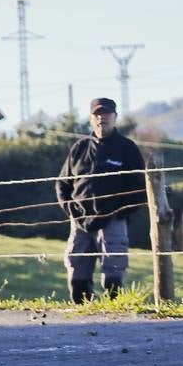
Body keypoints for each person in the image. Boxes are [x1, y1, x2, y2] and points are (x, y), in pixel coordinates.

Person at [56, 97, 146, 303]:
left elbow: (140, 186)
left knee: (114, 263)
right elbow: (62, 184)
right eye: (97, 115)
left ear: (115, 117)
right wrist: (72, 210)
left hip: (114, 218)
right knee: (77, 263)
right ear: (91, 118)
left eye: (106, 114)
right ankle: (82, 307)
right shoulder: (79, 148)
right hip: (80, 218)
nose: (101, 119)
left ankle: (114, 307)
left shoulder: (127, 148)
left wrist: (122, 212)